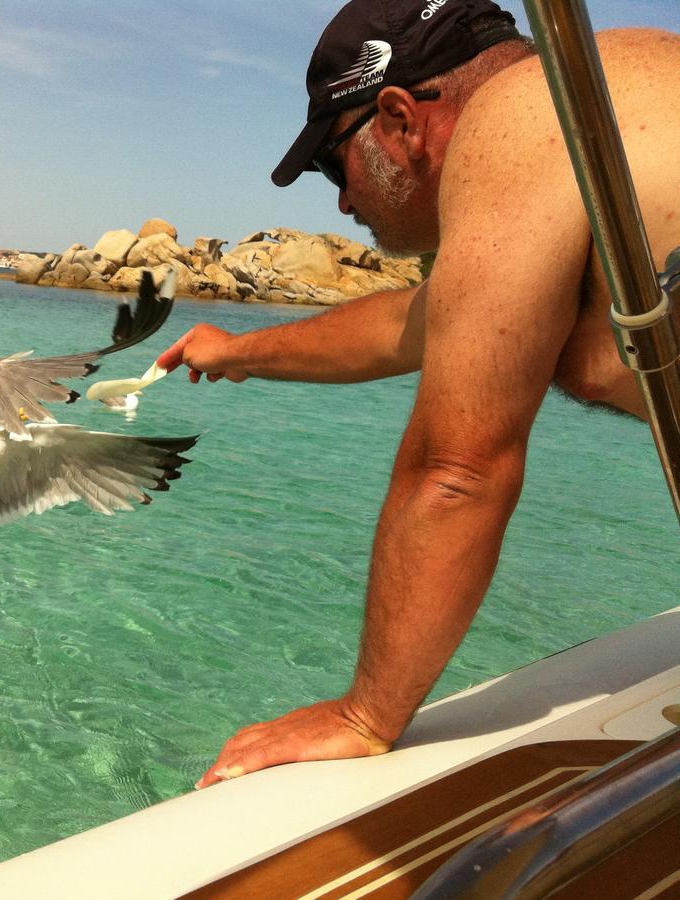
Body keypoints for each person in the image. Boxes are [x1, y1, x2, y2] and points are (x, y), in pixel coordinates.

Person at [155, 0, 680, 789]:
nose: (340, 204)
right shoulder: (624, 93)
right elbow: (418, 320)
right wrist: (238, 351)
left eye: (335, 165)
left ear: (400, 120)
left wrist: (364, 714)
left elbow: (457, 471)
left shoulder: (516, 120)